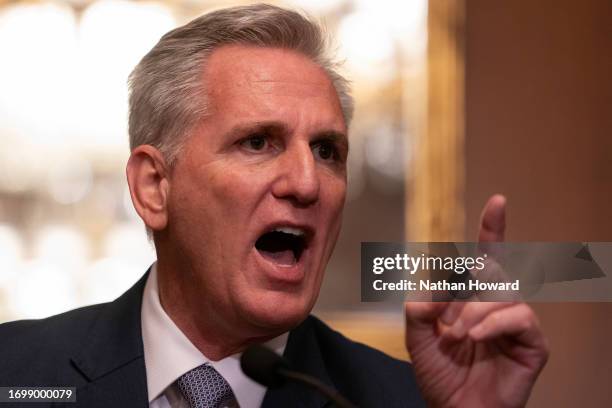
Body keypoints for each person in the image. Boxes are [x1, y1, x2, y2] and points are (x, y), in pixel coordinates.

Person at [0, 4, 548, 407]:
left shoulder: (404, 399)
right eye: (258, 142)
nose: (307, 183)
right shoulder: (18, 374)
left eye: (327, 150)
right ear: (153, 187)